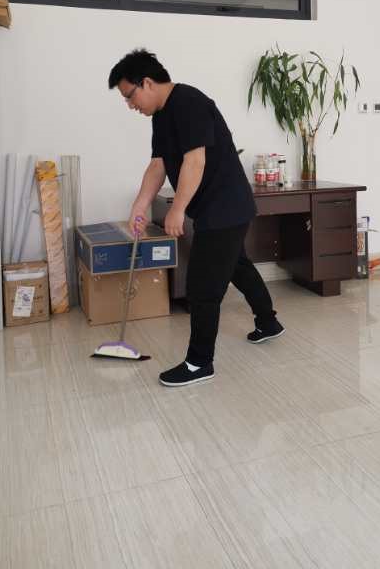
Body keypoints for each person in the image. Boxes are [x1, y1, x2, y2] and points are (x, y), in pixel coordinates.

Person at [108, 49, 285, 387]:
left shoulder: (189, 102)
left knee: (202, 288)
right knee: (237, 266)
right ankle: (268, 323)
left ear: (147, 83)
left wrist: (176, 209)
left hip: (225, 206)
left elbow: (195, 161)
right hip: (218, 207)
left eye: (130, 95)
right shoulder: (161, 115)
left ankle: (199, 362)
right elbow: (159, 164)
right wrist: (140, 205)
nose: (130, 105)